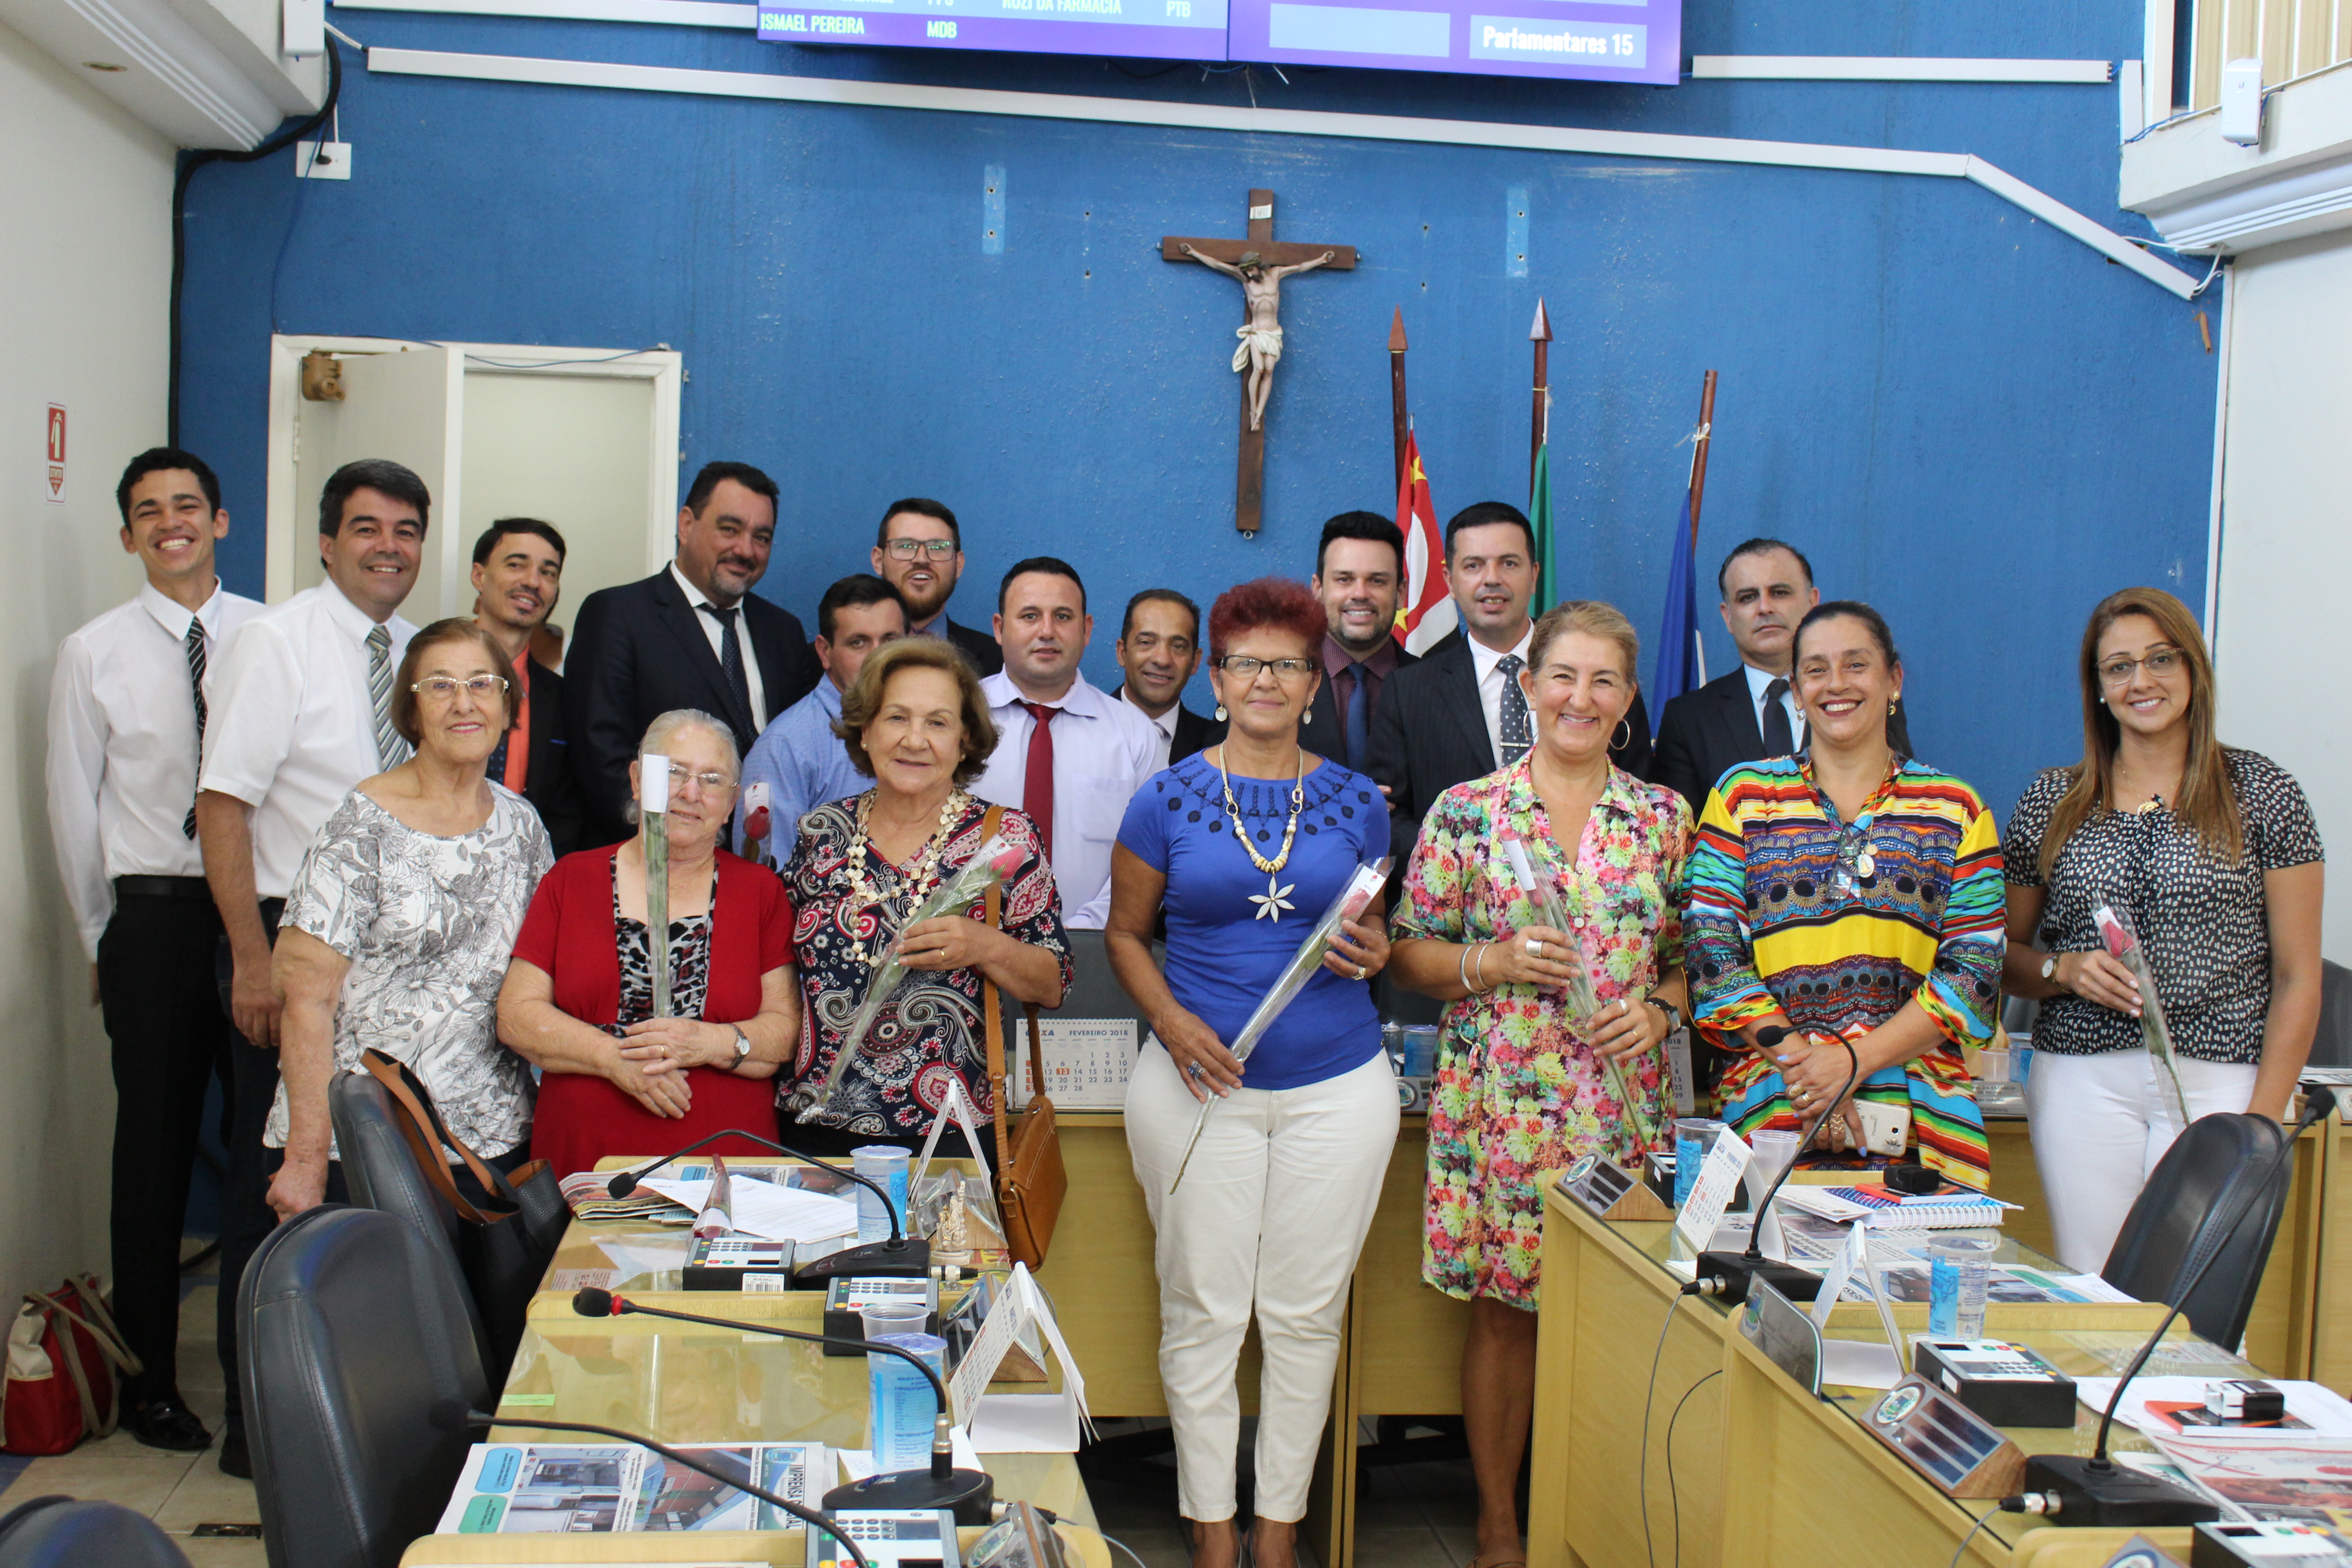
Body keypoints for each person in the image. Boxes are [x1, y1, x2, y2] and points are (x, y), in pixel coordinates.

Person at [1387, 600, 1690, 1568]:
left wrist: (1662, 1010)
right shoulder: (1469, 812)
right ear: (1528, 686)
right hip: (1500, 1106)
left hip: (1622, 1108)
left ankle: (1596, 1513)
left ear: (1629, 698)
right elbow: (1408, 955)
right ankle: (1501, 1522)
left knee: (1621, 1315)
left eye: (1605, 681)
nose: (1581, 697)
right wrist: (1496, 961)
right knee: (1504, 1315)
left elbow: (1696, 958)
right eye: (1563, 676)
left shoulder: (1664, 818)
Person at [1105, 578, 1395, 1568]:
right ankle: (1213, 1529)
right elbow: (1126, 934)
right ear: (1214, 678)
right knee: (1205, 1310)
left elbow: (1374, 929)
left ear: (1315, 683)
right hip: (1195, 1089)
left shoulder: (1359, 802)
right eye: (1243, 662)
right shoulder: (1167, 796)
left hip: (1339, 1089)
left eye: (1287, 663)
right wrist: (1174, 1023)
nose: (1265, 679)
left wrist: (1377, 950)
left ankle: (1278, 1530)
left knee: (1306, 1316)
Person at [194, 456, 429, 1476]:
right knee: (279, 1186)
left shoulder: (424, 655)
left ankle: (351, 1404)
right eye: (368, 528)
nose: (389, 547)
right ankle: (261, 1429)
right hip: (290, 944)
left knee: (364, 1178)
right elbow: (223, 805)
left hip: (395, 958)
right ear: (327, 540)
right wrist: (250, 957)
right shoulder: (271, 643)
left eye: (407, 530)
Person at [2002, 587, 2323, 1273]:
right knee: (2095, 1293)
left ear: (2194, 669)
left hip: (2222, 1082)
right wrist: (2064, 972)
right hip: (2083, 1080)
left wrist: (2262, 1121)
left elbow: (2300, 976)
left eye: (2159, 659)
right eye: (2118, 667)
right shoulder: (2052, 803)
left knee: (2198, 1307)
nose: (2140, 681)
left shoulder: (2264, 795)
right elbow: (2003, 959)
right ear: (2097, 688)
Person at [46, 448, 262, 1452]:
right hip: (157, 918)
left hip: (260, 914)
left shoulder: (271, 635)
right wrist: (102, 935)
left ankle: (264, 1384)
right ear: (128, 536)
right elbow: (71, 807)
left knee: (266, 1150)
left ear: (221, 521)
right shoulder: (92, 652)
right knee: (155, 1155)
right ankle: (150, 1388)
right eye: (147, 511)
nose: (170, 522)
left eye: (187, 505)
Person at [1683, 601, 2004, 1190]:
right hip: (1773, 1111)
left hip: (1921, 1130)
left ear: (1894, 681)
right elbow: (1711, 960)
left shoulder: (1954, 809)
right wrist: (1811, 1073)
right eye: (1816, 670)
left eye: (1856, 665)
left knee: (1909, 1282)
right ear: (1797, 692)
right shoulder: (1744, 798)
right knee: (1770, 1280)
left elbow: (1974, 976)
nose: (1836, 684)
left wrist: (1852, 1063)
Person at [268, 621, 555, 1216]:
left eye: (482, 683)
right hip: (371, 1141)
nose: (464, 702)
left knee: (487, 1312)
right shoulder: (362, 823)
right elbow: (306, 1000)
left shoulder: (522, 825)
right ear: (412, 709)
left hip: (495, 1139)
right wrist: (305, 1158)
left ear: (508, 705)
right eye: (441, 685)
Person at [778, 638, 1070, 1152]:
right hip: (813, 1130)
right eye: (896, 718)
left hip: (952, 1138)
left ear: (964, 741)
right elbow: (775, 967)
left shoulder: (1004, 840)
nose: (915, 740)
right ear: (865, 731)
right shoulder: (820, 834)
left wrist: (985, 946)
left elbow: (1053, 983)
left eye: (937, 723)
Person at [499, 710, 800, 1180]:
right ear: (638, 779)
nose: (691, 793)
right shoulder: (571, 880)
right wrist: (615, 1059)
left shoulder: (761, 892)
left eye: (713, 779)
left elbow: (784, 1033)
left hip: (728, 1166)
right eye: (674, 771)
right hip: (589, 1158)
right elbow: (516, 1015)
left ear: (731, 805)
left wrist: (708, 1042)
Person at [1368, 501, 1651, 877]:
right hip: (1462, 904)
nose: (1492, 579)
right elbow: (1388, 816)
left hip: (1596, 890)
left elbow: (1643, 795)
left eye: (1509, 563)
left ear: (1534, 575)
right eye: (1473, 565)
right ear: (1449, 580)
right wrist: (1468, 853)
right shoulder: (1409, 690)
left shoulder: (1600, 677)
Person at [565, 461, 821, 845]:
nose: (745, 549)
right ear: (686, 525)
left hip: (764, 870)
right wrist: (687, 848)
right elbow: (603, 765)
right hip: (657, 869)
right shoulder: (618, 615)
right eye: (729, 529)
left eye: (762, 537)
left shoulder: (782, 631)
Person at [1650, 537, 1913, 809]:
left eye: (1779, 593)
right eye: (1748, 597)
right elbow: (1685, 833)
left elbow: (1899, 796)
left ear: (1813, 602)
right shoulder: (1687, 719)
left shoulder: (1866, 697)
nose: (1765, 608)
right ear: (1728, 616)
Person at [970, 557, 1160, 932]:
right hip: (965, 957)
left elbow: (1149, 862)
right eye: (1029, 616)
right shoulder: (956, 720)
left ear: (1087, 629)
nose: (1047, 631)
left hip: (1095, 956)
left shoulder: (1135, 735)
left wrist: (1079, 938)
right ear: (999, 627)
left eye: (1063, 617)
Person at [738, 573, 907, 862]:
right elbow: (764, 883)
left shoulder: (926, 732)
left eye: (890, 639)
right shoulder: (784, 748)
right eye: (859, 643)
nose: (879, 656)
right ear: (825, 652)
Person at [470, 518, 583, 855]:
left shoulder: (563, 698)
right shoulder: (430, 670)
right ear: (479, 575)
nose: (532, 582)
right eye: (516, 565)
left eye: (548, 573)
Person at [1304, 510, 1416, 771]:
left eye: (1377, 581)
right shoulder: (1276, 680)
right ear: (1318, 589)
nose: (1360, 594)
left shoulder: (1437, 686)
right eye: (1345, 580)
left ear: (1401, 593)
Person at [870, 496, 1001, 676]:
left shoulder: (999, 662)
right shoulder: (831, 661)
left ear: (959, 565)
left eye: (938, 548)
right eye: (906, 546)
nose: (921, 559)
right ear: (878, 561)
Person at [1112, 588, 1219, 769]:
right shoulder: (1079, 733)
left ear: (1195, 662)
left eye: (1178, 646)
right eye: (1146, 643)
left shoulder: (1218, 747)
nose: (1162, 660)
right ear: (1122, 653)